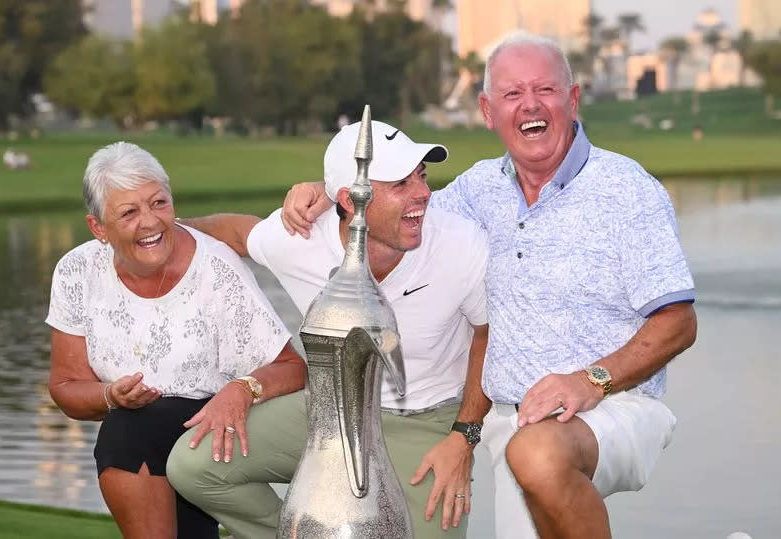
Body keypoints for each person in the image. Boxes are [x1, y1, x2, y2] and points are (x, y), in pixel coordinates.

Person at [279, 32, 698, 539]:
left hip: (616, 404)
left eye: (544, 90)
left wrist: (590, 381)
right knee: (530, 452)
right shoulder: (476, 190)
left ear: (572, 99)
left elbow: (678, 322)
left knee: (538, 454)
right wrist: (332, 195)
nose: (530, 106)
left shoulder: (628, 191)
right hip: (509, 420)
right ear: (487, 110)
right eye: (512, 94)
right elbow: (400, 210)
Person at [166, 121, 491, 539]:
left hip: (425, 424)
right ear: (349, 199)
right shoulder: (300, 239)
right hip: (327, 414)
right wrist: (162, 228)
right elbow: (234, 232)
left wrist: (464, 437)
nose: (423, 193)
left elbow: (487, 336)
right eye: (400, 183)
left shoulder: (459, 242)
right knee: (193, 467)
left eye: (422, 177)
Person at [45, 141, 306, 539]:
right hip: (138, 434)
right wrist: (110, 396)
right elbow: (65, 387)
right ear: (98, 227)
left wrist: (242, 389)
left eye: (159, 203)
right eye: (129, 212)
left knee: (128, 434)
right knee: (129, 430)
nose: (150, 222)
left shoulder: (216, 267)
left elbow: (291, 368)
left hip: (218, 421)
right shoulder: (76, 272)